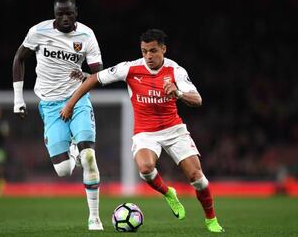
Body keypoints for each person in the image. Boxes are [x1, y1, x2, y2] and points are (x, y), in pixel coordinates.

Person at [60, 29, 225, 233]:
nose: (148, 56)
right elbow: (94, 79)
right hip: (145, 132)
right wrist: (70, 104)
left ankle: (211, 220)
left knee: (197, 177)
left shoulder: (176, 71)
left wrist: (178, 92)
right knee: (145, 169)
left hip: (174, 129)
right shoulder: (130, 68)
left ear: (163, 49)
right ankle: (168, 194)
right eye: (144, 51)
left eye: (153, 51)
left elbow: (197, 100)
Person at [12, 0, 103, 230]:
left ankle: (94, 217)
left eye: (68, 14)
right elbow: (19, 58)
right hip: (50, 106)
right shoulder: (38, 32)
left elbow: (97, 74)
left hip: (78, 98)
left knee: (90, 158)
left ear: (76, 13)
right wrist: (18, 99)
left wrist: (84, 77)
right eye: (59, 14)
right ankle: (73, 150)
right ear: (54, 13)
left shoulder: (87, 35)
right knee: (63, 171)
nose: (64, 18)